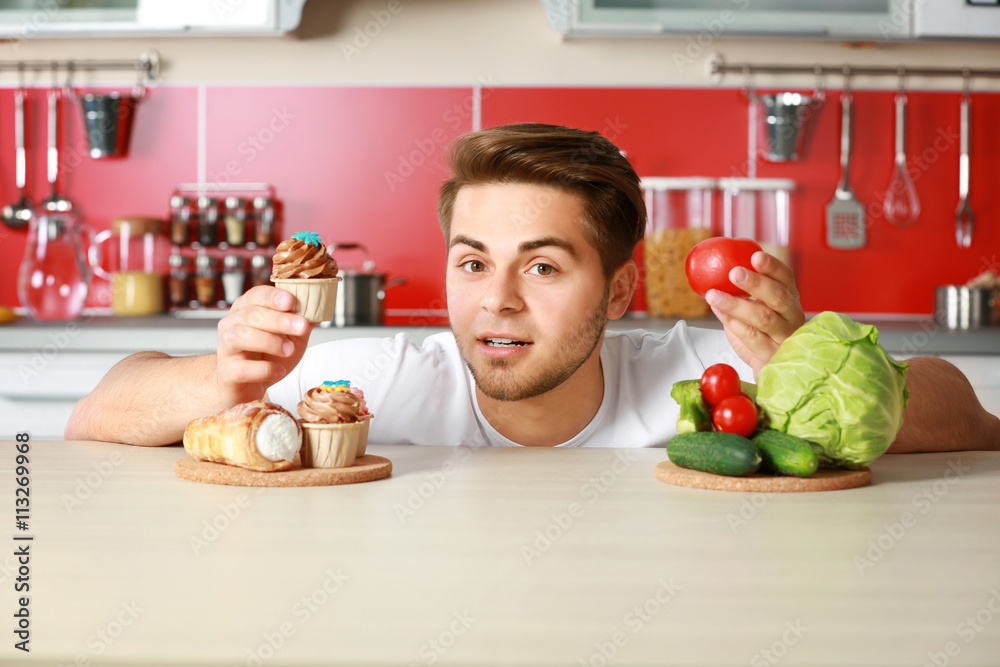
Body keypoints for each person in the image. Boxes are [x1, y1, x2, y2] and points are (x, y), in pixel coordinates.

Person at [65, 123, 1000, 452]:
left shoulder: (720, 381)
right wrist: (225, 377)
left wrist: (807, 364)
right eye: (472, 261)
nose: (495, 300)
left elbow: (970, 418)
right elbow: (94, 414)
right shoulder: (381, 382)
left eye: (543, 265)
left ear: (623, 289)